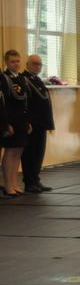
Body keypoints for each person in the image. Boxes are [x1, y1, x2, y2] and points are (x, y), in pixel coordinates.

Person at [21, 53, 55, 193]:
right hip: (32, 123)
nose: (37, 66)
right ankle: (29, 182)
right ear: (27, 64)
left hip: (41, 123)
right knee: (30, 154)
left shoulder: (37, 80)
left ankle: (36, 179)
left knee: (39, 153)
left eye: (39, 64)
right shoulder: (24, 79)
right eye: (34, 63)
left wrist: (49, 123)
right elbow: (25, 103)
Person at [1, 50, 32, 197]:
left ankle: (14, 183)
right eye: (13, 61)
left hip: (21, 121)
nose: (16, 64)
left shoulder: (21, 78)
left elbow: (24, 102)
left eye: (18, 61)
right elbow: (4, 104)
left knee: (18, 152)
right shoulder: (3, 79)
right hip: (11, 121)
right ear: (6, 62)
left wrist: (27, 122)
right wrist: (6, 124)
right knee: (10, 152)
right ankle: (7, 185)